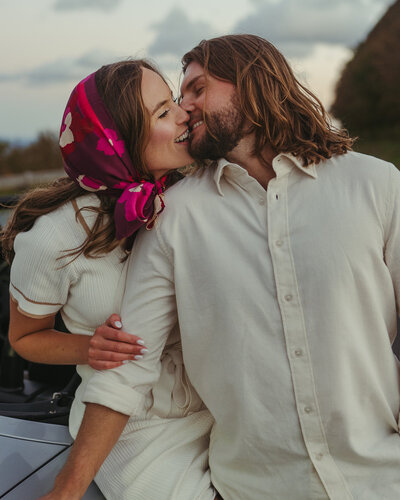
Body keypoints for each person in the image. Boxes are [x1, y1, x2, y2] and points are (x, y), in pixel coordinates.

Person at [43, 34, 400, 500]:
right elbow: (130, 368)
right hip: (254, 489)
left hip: (384, 477)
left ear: (251, 83)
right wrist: (65, 491)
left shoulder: (375, 184)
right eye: (177, 96)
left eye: (197, 88)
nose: (185, 107)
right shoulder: (172, 216)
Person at [2, 60, 215, 499]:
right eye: (161, 113)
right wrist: (89, 347)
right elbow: (25, 338)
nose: (183, 114)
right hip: (134, 428)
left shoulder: (201, 196)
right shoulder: (54, 238)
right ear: (117, 143)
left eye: (173, 101)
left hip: (219, 403)